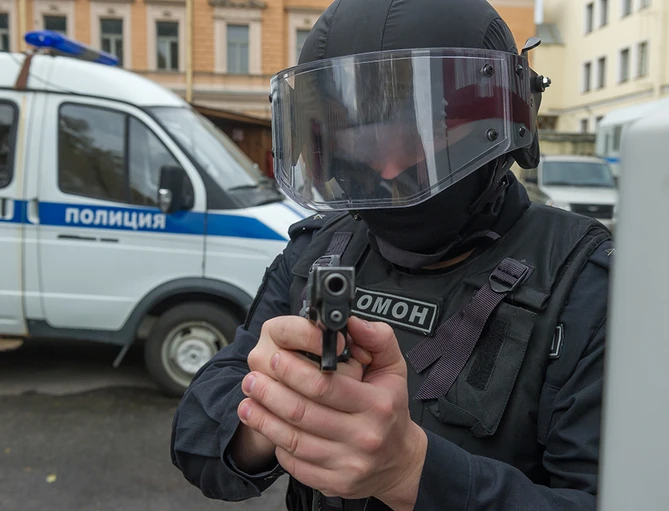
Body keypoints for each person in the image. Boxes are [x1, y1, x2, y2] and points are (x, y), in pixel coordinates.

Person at [170, 0, 613, 509]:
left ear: (502, 122)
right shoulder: (320, 249)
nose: (388, 169)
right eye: (360, 137)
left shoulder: (582, 284)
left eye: (423, 133)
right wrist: (274, 413)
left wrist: (411, 471)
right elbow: (195, 436)